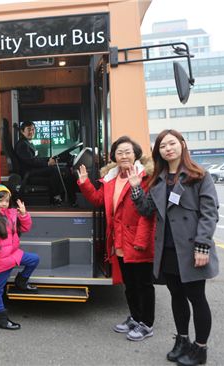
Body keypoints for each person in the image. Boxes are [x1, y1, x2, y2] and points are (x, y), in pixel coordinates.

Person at [128, 129, 219, 366]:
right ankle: (182, 341)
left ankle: (200, 349)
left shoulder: (199, 175)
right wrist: (136, 188)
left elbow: (209, 214)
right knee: (176, 296)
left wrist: (203, 245)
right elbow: (146, 210)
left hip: (191, 249)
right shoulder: (158, 179)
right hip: (167, 250)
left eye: (172, 143)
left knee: (196, 298)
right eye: (162, 146)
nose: (168, 149)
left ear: (182, 144)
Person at [77, 136, 156, 341]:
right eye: (119, 153)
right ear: (114, 157)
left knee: (144, 284)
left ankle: (146, 324)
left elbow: (149, 212)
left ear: (136, 154)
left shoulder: (146, 177)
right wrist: (85, 182)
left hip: (139, 240)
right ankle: (135, 317)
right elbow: (97, 200)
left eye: (128, 152)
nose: (124, 156)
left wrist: (141, 242)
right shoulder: (111, 178)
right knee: (129, 284)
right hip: (119, 240)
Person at [0, 184, 39, 330]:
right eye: (0, 200)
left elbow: (26, 228)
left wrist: (23, 214)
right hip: (0, 262)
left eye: (7, 200)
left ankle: (20, 282)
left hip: (14, 254)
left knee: (34, 259)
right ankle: (1, 320)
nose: (4, 204)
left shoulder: (11, 214)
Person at [14, 121, 64, 205]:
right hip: (28, 173)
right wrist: (47, 164)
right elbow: (31, 161)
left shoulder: (28, 143)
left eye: (33, 129)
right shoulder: (22, 145)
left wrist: (48, 159)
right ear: (22, 131)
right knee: (53, 170)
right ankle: (56, 197)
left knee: (53, 172)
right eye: (29, 129)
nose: (31, 132)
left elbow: (36, 158)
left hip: (32, 170)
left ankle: (54, 198)